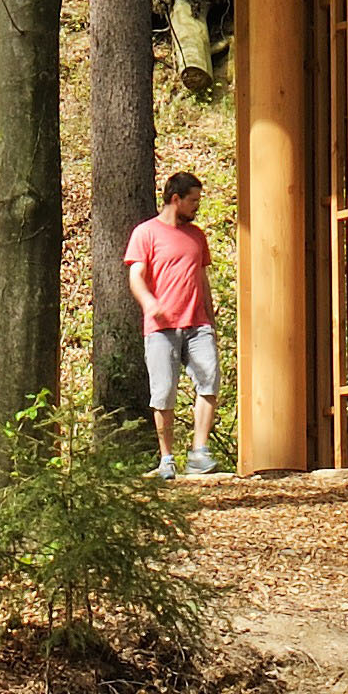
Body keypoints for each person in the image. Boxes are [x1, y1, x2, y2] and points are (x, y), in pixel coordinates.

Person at [124, 169, 219, 473]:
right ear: (175, 199)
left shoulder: (197, 236)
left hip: (197, 325)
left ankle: (199, 453)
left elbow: (202, 279)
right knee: (163, 392)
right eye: (193, 200)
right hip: (162, 330)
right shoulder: (146, 233)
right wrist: (150, 303)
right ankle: (167, 459)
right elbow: (136, 276)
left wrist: (211, 318)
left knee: (210, 381)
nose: (197, 206)